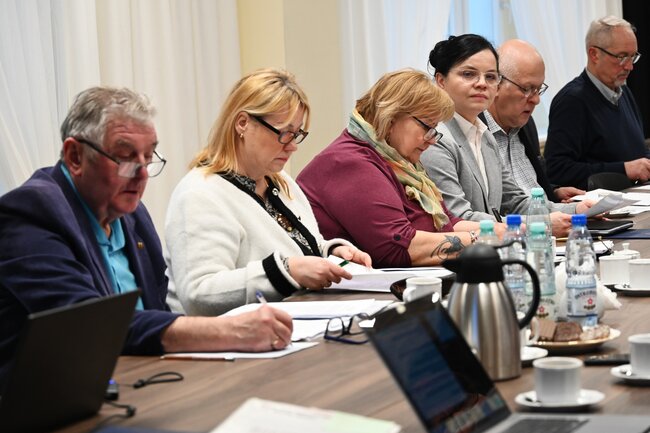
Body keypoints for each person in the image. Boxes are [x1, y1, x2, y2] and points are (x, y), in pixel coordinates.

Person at [0, 87, 293, 387]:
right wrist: (231, 331)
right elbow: (92, 327)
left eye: (149, 157)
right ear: (75, 156)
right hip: (50, 399)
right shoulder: (31, 212)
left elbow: (155, 311)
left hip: (139, 383)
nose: (141, 174)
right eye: (125, 157)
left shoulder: (133, 214)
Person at [164, 68, 371, 316]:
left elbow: (297, 249)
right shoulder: (200, 193)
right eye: (284, 133)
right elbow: (199, 294)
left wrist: (331, 254)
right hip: (232, 336)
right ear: (243, 123)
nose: (292, 146)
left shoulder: (280, 181)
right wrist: (288, 271)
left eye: (297, 134)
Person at [297, 69, 482, 268]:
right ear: (391, 116)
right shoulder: (349, 162)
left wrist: (497, 232)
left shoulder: (398, 159)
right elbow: (398, 248)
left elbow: (446, 223)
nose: (431, 140)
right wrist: (482, 241)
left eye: (434, 130)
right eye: (427, 126)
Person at [421, 34, 591, 237]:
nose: (482, 84)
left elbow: (515, 201)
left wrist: (578, 210)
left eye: (491, 77)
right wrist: (540, 224)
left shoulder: (485, 135)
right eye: (468, 74)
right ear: (441, 81)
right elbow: (458, 219)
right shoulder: (435, 138)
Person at [544, 16, 648, 190]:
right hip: (601, 204)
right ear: (594, 54)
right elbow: (557, 170)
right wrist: (623, 170)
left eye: (633, 57)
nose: (630, 66)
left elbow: (638, 150)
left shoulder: (624, 93)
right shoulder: (572, 101)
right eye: (622, 57)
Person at [482, 39, 585, 203]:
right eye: (527, 89)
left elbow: (529, 185)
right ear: (497, 83)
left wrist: (553, 192)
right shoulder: (475, 132)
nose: (536, 100)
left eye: (538, 89)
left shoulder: (526, 125)